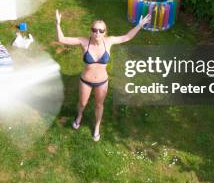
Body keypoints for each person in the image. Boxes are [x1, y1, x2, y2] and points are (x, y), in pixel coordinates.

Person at [55, 10, 151, 141]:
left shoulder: (109, 41)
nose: (97, 33)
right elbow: (62, 39)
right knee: (82, 103)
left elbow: (126, 37)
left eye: (101, 30)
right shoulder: (84, 42)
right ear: (91, 31)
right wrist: (57, 24)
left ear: (105, 32)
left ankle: (97, 126)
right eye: (94, 30)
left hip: (102, 82)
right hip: (85, 80)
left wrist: (139, 25)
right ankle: (79, 116)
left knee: (99, 105)